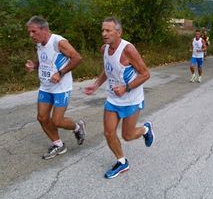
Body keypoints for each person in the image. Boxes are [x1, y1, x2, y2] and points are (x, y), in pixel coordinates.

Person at [83, 17, 153, 179]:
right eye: (103, 30)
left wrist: (126, 87)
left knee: (127, 136)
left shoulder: (128, 50)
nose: (104, 34)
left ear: (118, 32)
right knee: (109, 133)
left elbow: (145, 74)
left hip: (132, 99)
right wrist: (96, 84)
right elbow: (108, 70)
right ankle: (122, 162)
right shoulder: (104, 49)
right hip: (113, 99)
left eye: (108, 30)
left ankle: (146, 129)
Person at [25, 16, 86, 160]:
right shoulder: (40, 43)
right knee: (42, 117)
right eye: (29, 32)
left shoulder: (58, 42)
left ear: (44, 29)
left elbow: (77, 58)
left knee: (57, 121)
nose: (31, 35)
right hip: (46, 86)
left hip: (61, 88)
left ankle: (77, 127)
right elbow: (45, 60)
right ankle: (58, 145)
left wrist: (60, 73)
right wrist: (34, 65)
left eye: (34, 31)